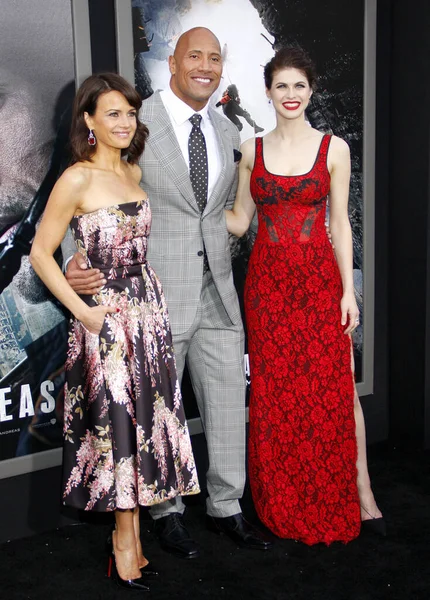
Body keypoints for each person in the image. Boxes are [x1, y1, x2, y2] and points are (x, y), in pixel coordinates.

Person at [64, 28, 272, 557]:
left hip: (219, 291)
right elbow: (88, 182)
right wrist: (73, 256)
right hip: (154, 297)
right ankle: (167, 512)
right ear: (173, 63)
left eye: (214, 59)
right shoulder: (138, 121)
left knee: (227, 403)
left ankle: (228, 506)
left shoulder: (228, 131)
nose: (205, 66)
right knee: (158, 410)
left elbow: (222, 213)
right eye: (194, 56)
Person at [30, 73, 200, 589]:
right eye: (112, 113)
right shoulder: (76, 179)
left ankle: (134, 540)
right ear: (88, 121)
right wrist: (83, 313)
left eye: (129, 112)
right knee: (119, 426)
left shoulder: (134, 170)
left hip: (147, 313)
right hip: (104, 320)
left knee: (144, 424)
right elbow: (40, 253)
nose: (124, 122)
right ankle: (124, 545)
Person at [225, 46, 384, 545]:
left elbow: (340, 222)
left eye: (299, 86)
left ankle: (361, 492)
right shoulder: (252, 150)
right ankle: (281, 497)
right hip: (267, 290)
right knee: (276, 394)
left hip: (319, 286)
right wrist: (184, 209)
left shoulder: (334, 148)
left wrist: (348, 291)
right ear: (268, 92)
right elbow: (239, 221)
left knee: (335, 389)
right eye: (281, 86)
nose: (291, 95)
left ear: (311, 91)